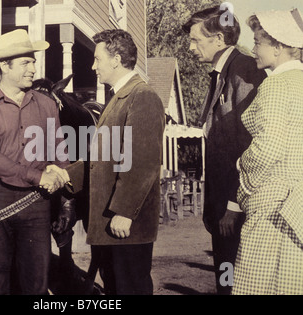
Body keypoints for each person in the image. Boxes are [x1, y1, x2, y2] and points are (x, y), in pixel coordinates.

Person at [48, 29, 165, 295]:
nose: (93, 66)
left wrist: (124, 211)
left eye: (97, 59)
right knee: (114, 289)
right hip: (111, 224)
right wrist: (66, 175)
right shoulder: (118, 98)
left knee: (130, 288)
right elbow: (101, 158)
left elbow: (142, 161)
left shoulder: (141, 96)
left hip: (126, 225)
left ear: (115, 59)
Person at [0, 29, 70, 295]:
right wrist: (38, 176)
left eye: (33, 61)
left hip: (36, 205)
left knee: (36, 283)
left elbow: (59, 150)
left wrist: (61, 177)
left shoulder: (47, 105)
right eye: (26, 62)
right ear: (4, 65)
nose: (33, 69)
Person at [182, 6, 267, 294]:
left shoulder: (243, 71)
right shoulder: (221, 73)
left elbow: (247, 145)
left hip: (235, 209)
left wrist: (233, 205)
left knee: (233, 281)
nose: (190, 48)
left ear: (219, 39)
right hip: (224, 206)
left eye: (196, 40)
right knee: (225, 279)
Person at [233, 9, 303, 295]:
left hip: (272, 206)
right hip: (296, 206)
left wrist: (243, 173)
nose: (253, 49)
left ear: (278, 46)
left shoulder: (275, 85)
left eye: (259, 42)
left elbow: (269, 146)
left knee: (256, 286)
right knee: (289, 283)